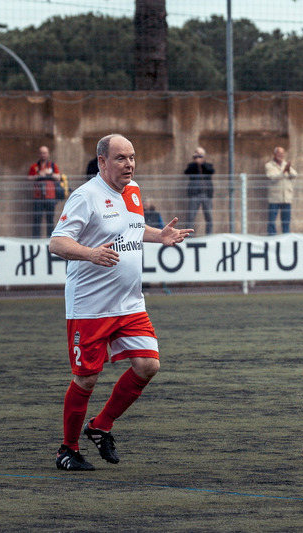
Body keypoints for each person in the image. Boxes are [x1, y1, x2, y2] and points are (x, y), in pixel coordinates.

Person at [49, 134, 193, 471]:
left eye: (131, 157)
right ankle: (67, 450)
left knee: (148, 365)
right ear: (102, 162)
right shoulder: (86, 196)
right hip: (91, 308)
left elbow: (132, 228)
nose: (128, 164)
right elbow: (57, 243)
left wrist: (160, 236)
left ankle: (100, 426)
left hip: (130, 304)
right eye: (120, 158)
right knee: (86, 379)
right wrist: (90, 253)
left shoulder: (133, 190)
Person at [27, 146, 62, 238]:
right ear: (39, 154)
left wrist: (49, 173)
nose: (43, 155)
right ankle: (36, 239)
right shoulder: (34, 167)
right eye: (41, 153)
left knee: (50, 219)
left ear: (48, 154)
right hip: (38, 197)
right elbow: (29, 178)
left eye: (45, 153)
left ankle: (50, 239)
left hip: (50, 197)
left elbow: (58, 177)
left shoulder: (53, 166)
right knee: (37, 219)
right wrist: (38, 175)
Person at [265, 146, 297, 235]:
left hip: (286, 197)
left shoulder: (285, 164)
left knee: (286, 220)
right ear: (274, 154)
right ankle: (272, 237)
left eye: (282, 153)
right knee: (272, 220)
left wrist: (288, 170)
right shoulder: (269, 165)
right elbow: (272, 176)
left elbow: (294, 174)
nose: (280, 155)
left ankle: (285, 236)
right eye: (278, 153)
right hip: (275, 197)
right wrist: (283, 172)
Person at [183, 146, 214, 235]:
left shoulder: (208, 165)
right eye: (197, 155)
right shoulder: (191, 166)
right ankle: (189, 235)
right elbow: (187, 172)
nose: (199, 158)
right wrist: (196, 163)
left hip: (206, 194)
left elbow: (210, 171)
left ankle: (209, 234)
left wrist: (201, 163)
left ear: (204, 156)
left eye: (201, 155)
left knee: (209, 216)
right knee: (191, 216)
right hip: (194, 194)